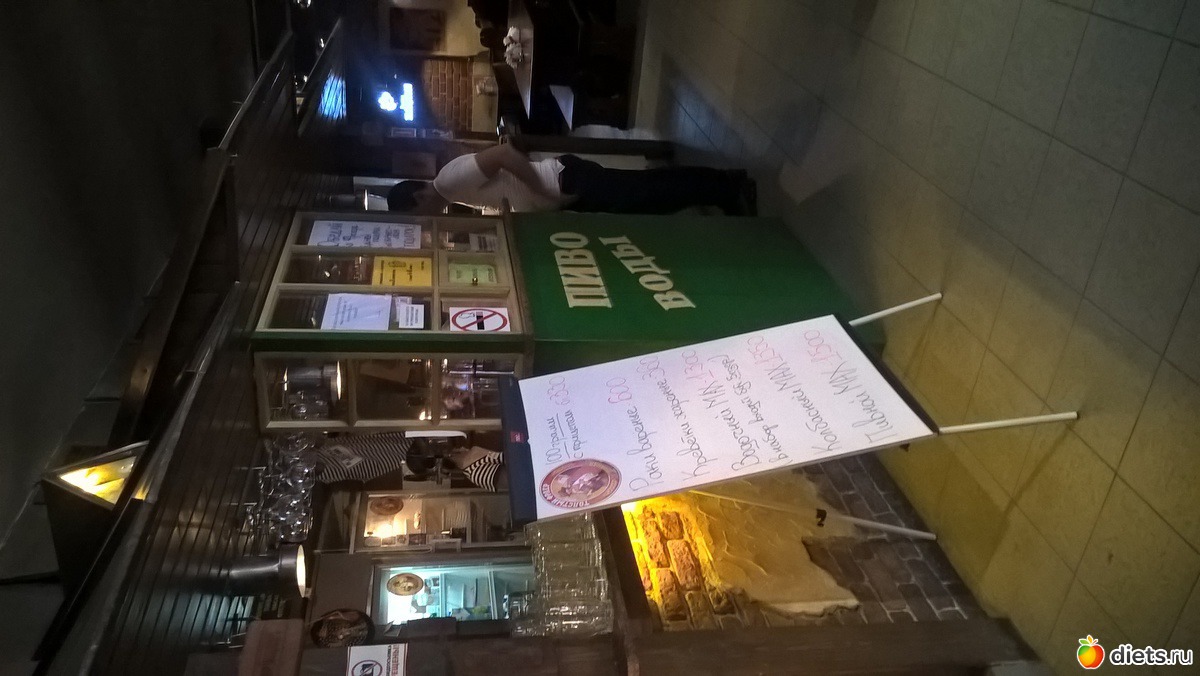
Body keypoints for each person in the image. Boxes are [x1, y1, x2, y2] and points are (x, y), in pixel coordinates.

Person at [387, 143, 756, 216]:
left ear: (418, 200)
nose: (427, 222)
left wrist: (541, 190)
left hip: (565, 182)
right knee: (650, 196)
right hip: (566, 188)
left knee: (651, 191)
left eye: (418, 217)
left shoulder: (449, 181)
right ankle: (723, 188)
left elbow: (503, 154)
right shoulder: (452, 191)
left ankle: (728, 186)